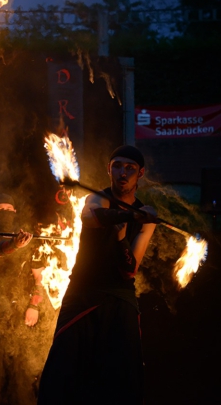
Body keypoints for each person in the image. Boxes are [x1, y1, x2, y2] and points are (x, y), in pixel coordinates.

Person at [37, 145, 157, 405]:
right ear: (108, 169)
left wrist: (123, 237)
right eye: (117, 166)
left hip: (121, 297)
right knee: (63, 371)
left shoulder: (146, 217)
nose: (122, 173)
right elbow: (92, 217)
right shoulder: (97, 199)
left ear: (141, 174)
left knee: (124, 377)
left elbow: (129, 270)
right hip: (83, 293)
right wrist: (132, 215)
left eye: (130, 168)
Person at [0, 193, 45, 327]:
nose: (5, 213)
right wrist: (14, 245)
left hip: (19, 305)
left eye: (9, 209)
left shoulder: (25, 237)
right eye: (0, 210)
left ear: (15, 212)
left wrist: (34, 306)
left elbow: (39, 277)